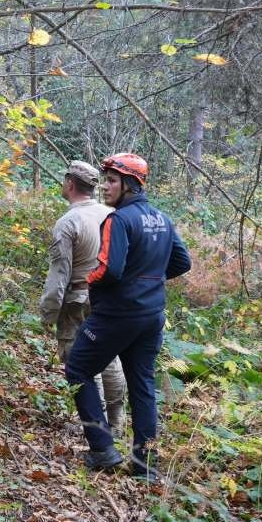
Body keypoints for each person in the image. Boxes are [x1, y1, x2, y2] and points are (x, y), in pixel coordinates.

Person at [64, 152, 190, 481]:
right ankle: (145, 466)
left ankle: (103, 448)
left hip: (117, 314)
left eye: (112, 181)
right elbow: (182, 262)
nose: (105, 187)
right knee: (142, 383)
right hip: (151, 315)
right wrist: (149, 279)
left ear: (130, 185)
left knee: (78, 368)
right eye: (105, 180)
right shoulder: (162, 218)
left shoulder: (118, 220)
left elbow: (109, 270)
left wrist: (87, 280)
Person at [37, 161, 127, 436]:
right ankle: (117, 423)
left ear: (70, 184)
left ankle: (95, 425)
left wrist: (49, 312)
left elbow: (59, 274)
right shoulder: (112, 215)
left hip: (77, 300)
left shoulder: (68, 222)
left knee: (80, 362)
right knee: (109, 357)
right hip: (110, 299)